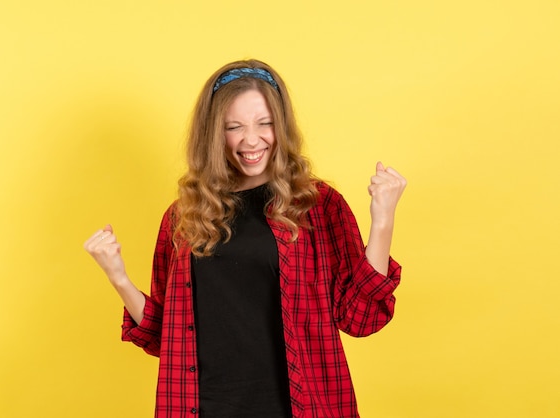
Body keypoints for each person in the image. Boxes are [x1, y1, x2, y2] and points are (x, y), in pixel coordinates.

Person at [84, 59, 406, 418]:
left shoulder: (317, 205)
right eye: (233, 127)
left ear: (281, 126)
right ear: (213, 133)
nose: (251, 140)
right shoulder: (184, 217)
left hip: (297, 409)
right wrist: (118, 277)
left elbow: (360, 319)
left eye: (264, 124)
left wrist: (383, 222)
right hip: (203, 408)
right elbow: (165, 337)